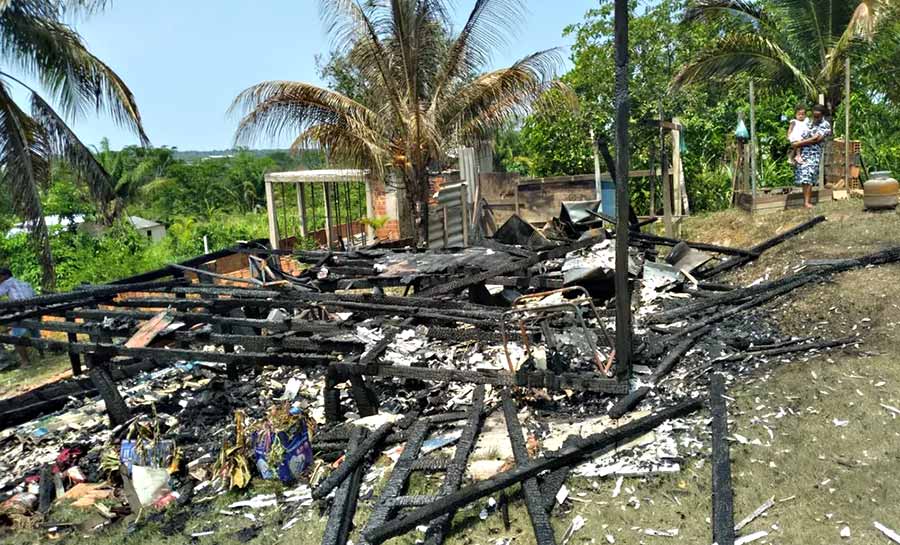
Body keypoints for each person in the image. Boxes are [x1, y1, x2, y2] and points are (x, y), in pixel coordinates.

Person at [792, 104, 832, 209]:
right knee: (803, 177)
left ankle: (807, 202)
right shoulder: (809, 123)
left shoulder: (826, 125)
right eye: (814, 115)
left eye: (818, 116)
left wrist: (798, 144)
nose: (816, 118)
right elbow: (800, 133)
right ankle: (805, 201)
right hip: (802, 153)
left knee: (809, 175)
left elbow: (816, 139)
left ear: (822, 115)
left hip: (813, 154)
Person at [0, 268, 40, 366]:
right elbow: (34, 295)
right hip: (33, 310)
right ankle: (42, 355)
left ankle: (25, 362)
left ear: (4, 276)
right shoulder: (24, 283)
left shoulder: (6, 284)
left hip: (21, 312)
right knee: (36, 334)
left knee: (16, 338)